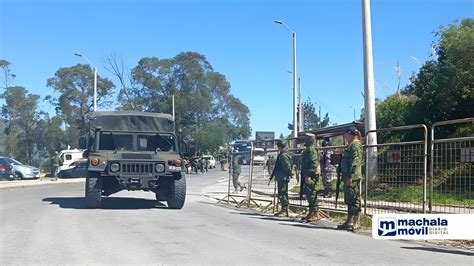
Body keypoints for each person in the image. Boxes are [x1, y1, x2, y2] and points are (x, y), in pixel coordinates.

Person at [337, 126, 364, 231]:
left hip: (352, 177)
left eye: (346, 134)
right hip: (347, 176)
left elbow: (355, 161)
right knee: (349, 199)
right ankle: (348, 221)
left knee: (354, 199)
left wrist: (350, 176)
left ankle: (356, 222)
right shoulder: (351, 145)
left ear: (351, 134)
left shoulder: (355, 146)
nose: (345, 135)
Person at [269, 140, 293, 217]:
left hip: (283, 177)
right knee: (282, 193)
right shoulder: (283, 154)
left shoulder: (283, 156)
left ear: (280, 147)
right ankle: (284, 209)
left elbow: (287, 166)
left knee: (282, 194)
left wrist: (289, 174)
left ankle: (284, 210)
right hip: (281, 176)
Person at [300, 133, 320, 221]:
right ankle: (311, 212)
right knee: (309, 194)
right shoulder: (309, 149)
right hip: (307, 174)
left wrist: (309, 175)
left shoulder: (311, 150)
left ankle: (315, 213)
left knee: (312, 194)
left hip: (310, 175)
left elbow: (313, 163)